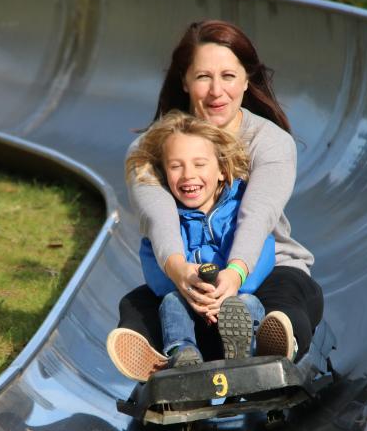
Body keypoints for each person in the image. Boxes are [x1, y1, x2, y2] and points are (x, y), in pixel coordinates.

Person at [108, 20, 324, 381]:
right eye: (203, 77)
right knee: (139, 304)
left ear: (245, 80)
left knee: (289, 294)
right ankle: (164, 358)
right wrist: (182, 275)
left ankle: (272, 342)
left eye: (227, 76)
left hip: (261, 271)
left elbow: (257, 217)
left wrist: (236, 275)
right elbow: (159, 219)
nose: (216, 91)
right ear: (185, 81)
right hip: (185, 276)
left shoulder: (270, 143)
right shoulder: (151, 150)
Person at [107, 111, 275, 381]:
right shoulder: (170, 219)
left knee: (248, 302)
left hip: (230, 296)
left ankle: (245, 349)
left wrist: (231, 284)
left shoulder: (236, 212)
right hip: (189, 302)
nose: (188, 175)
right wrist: (187, 288)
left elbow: (263, 248)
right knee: (171, 301)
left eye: (199, 164)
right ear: (164, 173)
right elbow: (154, 267)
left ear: (222, 171)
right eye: (176, 166)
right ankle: (182, 352)